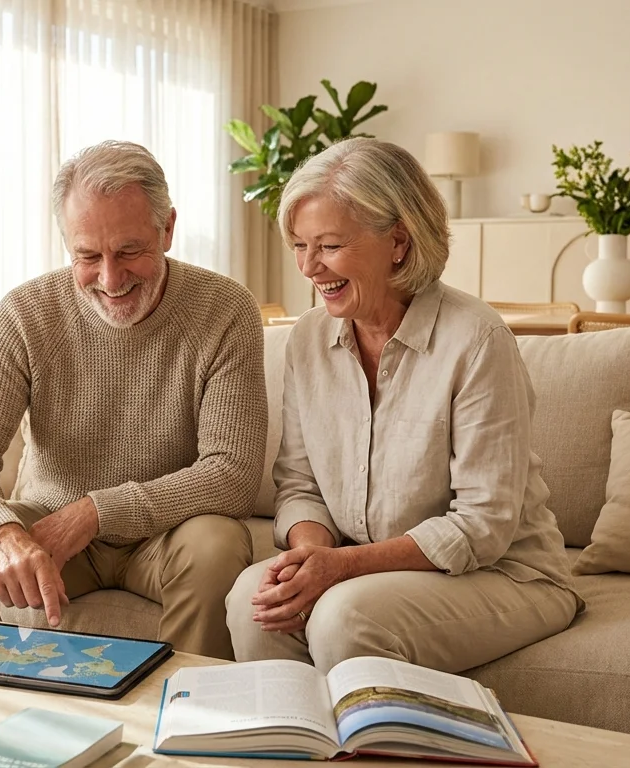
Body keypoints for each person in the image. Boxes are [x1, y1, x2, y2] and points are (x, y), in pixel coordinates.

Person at [225, 138, 582, 673]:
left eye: (328, 245)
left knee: (345, 617)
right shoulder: (306, 339)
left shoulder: (477, 339)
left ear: (398, 240)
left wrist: (341, 567)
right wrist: (309, 556)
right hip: (368, 569)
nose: (309, 267)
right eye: (299, 245)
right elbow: (300, 485)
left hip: (502, 573)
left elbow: (482, 524)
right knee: (253, 600)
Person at [0, 140, 267, 659]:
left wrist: (96, 513)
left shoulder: (225, 309)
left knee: (216, 544)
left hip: (167, 537)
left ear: (167, 229)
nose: (110, 278)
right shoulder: (25, 313)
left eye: (129, 251)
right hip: (48, 532)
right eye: (88, 256)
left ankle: (190, 711)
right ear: (65, 243)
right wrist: (1, 532)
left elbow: (231, 476)